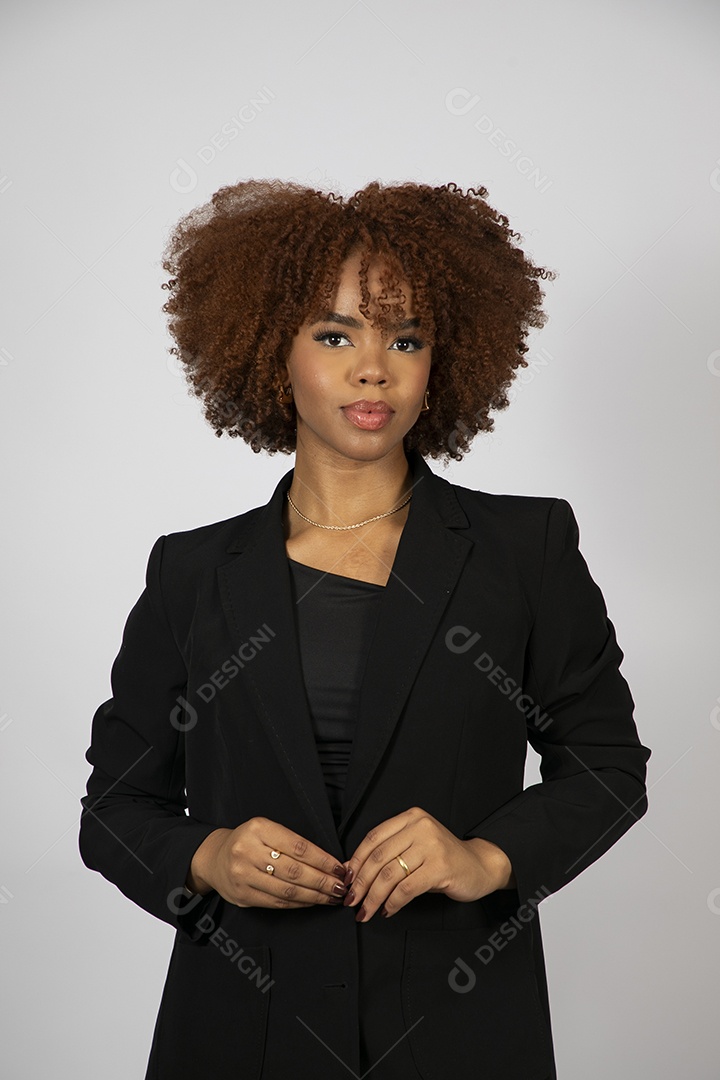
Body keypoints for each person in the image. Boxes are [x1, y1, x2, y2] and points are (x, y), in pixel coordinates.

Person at [79, 179, 651, 1080]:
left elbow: (609, 769)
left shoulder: (524, 549)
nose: (373, 367)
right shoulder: (192, 574)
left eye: (406, 337)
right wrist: (209, 855)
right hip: (241, 1034)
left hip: (458, 1035)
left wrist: (489, 857)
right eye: (335, 334)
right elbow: (114, 810)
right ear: (275, 353)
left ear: (442, 362)